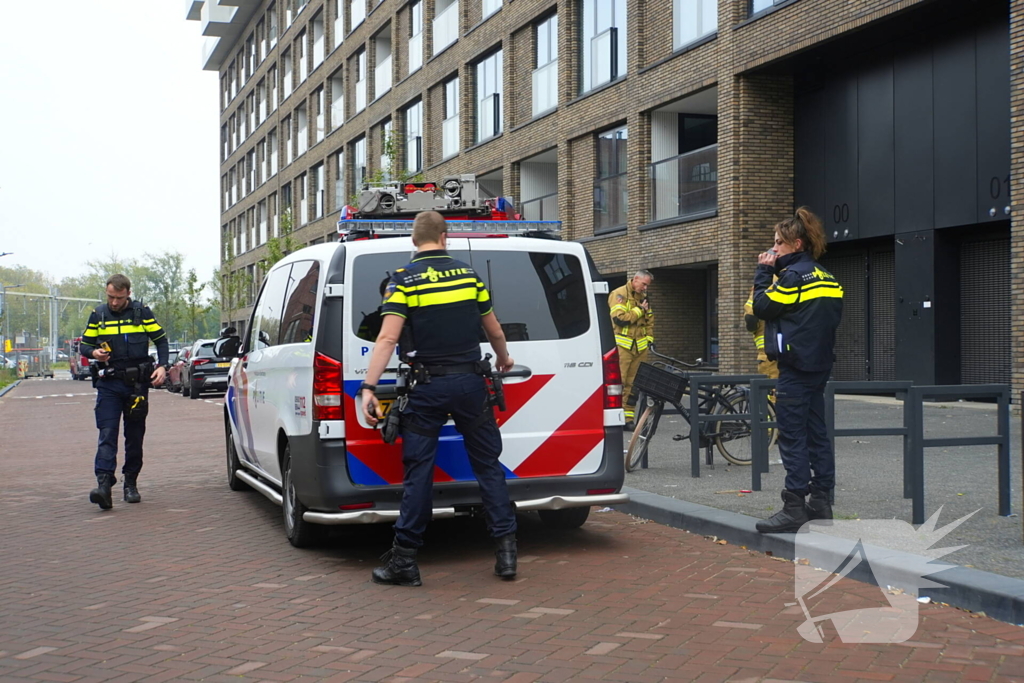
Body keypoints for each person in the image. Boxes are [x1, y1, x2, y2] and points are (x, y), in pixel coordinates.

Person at [360, 211, 518, 586]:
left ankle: (405, 562)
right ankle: (507, 554)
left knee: (420, 472)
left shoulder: (402, 281)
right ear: (444, 237)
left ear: (414, 241)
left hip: (426, 387)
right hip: (470, 384)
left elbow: (387, 339)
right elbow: (493, 329)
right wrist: (503, 358)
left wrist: (368, 387)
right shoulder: (468, 275)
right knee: (488, 467)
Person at [751, 207, 843, 533]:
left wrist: (763, 272)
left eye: (779, 243)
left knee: (791, 436)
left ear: (797, 244)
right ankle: (821, 503)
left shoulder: (792, 277)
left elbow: (763, 306)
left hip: (795, 368)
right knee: (817, 434)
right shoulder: (827, 276)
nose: (773, 249)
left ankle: (794, 508)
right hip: (819, 366)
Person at [80, 274, 169, 510]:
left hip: (136, 385)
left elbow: (161, 340)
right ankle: (104, 485)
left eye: (119, 298)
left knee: (134, 436)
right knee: (107, 434)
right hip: (109, 384)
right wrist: (93, 353)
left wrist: (162, 366)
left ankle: (130, 483)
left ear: (128, 293)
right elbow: (85, 344)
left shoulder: (142, 314)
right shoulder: (99, 315)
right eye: (110, 297)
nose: (114, 302)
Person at [608, 270, 655, 428]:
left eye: (647, 285)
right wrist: (638, 310)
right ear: (635, 280)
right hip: (623, 347)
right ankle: (616, 416)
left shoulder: (643, 298)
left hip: (640, 348)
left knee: (634, 385)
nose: (645, 288)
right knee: (619, 382)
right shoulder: (619, 294)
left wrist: (649, 340)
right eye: (643, 284)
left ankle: (628, 419)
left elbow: (649, 320)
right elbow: (619, 319)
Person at [744, 286, 779, 381]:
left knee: (772, 389)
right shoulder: (794, 280)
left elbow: (751, 318)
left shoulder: (762, 286)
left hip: (769, 352)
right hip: (795, 349)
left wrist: (754, 331)